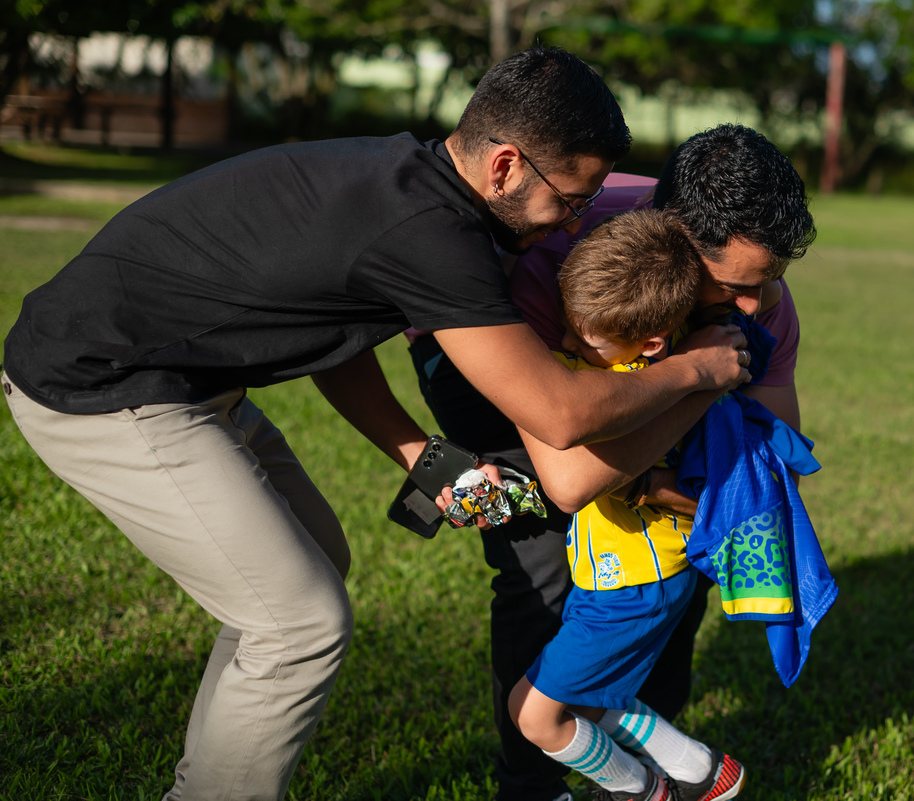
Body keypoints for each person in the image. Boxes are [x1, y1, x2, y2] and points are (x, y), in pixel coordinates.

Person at [0, 47, 751, 801]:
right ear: (505, 168)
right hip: (104, 384)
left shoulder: (397, 180)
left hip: (189, 383)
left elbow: (334, 334)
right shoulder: (436, 235)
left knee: (313, 565)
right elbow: (560, 412)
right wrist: (698, 370)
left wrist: (422, 456)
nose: (575, 221)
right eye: (571, 200)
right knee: (299, 625)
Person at [409, 124, 815, 801]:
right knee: (541, 561)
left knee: (679, 563)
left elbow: (771, 475)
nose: (755, 306)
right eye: (732, 286)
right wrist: (695, 380)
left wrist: (681, 486)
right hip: (488, 350)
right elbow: (569, 479)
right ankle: (533, 788)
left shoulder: (757, 298)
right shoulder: (563, 274)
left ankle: (658, 774)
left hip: (654, 356)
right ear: (674, 248)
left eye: (768, 281)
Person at [505, 207, 746, 801]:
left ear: (650, 343)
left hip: (636, 584)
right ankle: (701, 772)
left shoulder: (653, 395)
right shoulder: (636, 366)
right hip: (617, 580)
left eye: (585, 340)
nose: (567, 343)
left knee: (534, 715)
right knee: (589, 696)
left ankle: (644, 792)